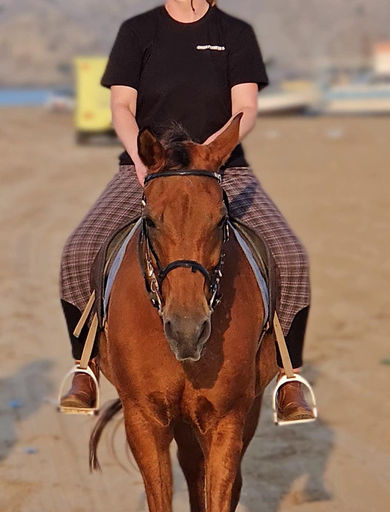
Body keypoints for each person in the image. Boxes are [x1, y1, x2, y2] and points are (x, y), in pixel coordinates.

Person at [59, 0, 316, 423]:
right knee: (79, 248)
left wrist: (207, 154)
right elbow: (121, 106)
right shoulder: (138, 31)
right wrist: (143, 163)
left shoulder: (234, 33)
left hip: (221, 168)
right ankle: (84, 365)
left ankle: (290, 376)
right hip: (150, 169)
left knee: (290, 256)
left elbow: (244, 109)